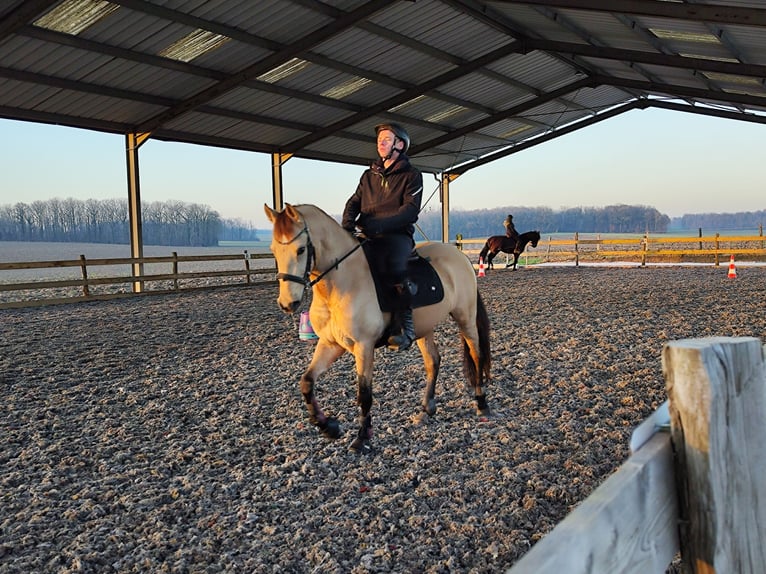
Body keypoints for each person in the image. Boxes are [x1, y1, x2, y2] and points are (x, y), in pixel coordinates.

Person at [342, 123, 423, 351]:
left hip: (397, 235)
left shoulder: (412, 175)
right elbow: (354, 201)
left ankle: (405, 327)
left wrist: (379, 225)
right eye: (379, 139)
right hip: (368, 233)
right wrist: (347, 224)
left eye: (386, 139)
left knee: (395, 266)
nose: (381, 143)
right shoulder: (369, 175)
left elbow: (410, 211)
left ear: (400, 144)